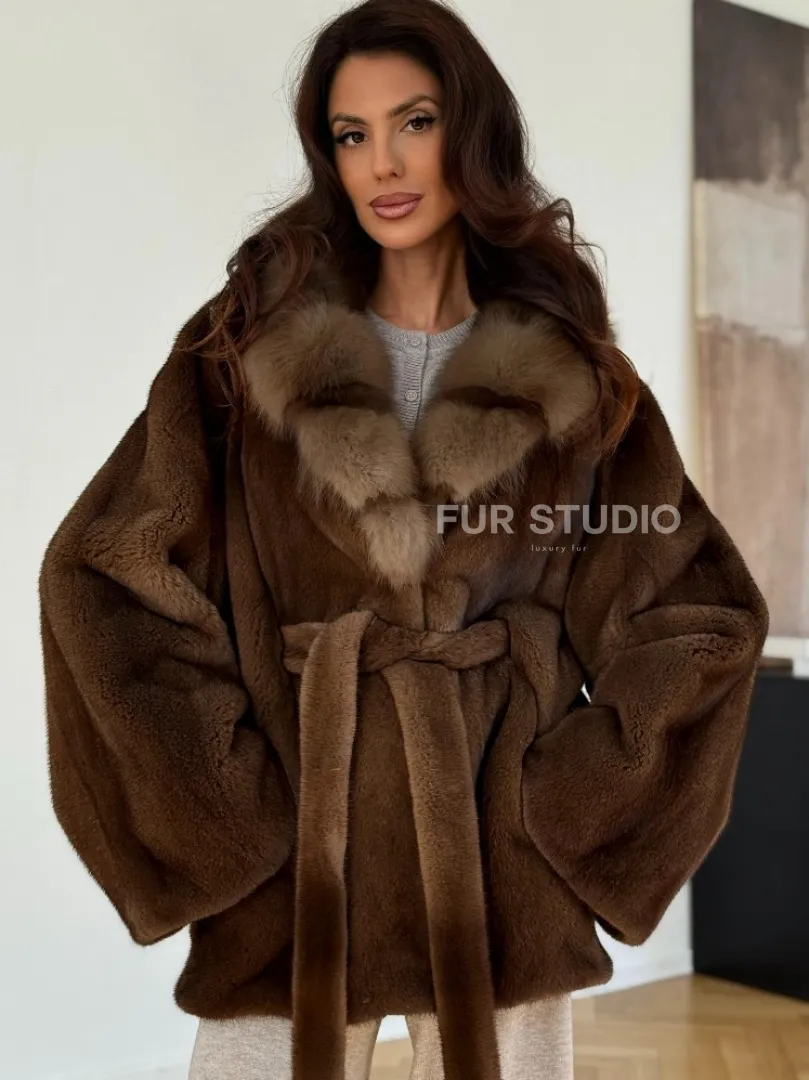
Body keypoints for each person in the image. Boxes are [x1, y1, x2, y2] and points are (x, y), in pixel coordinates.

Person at [37, 1, 770, 1078]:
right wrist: (226, 804)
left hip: (494, 864)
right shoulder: (241, 351)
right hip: (298, 854)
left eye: (414, 122)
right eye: (351, 133)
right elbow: (107, 569)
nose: (382, 162)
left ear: (469, 131)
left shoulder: (578, 380)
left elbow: (696, 613)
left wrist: (563, 804)